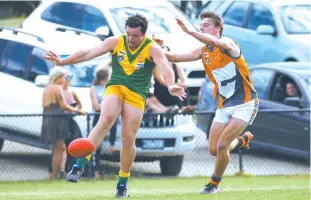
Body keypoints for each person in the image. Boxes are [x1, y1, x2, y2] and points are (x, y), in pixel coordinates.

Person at [43, 14, 186, 198]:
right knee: (105, 120)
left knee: (128, 137)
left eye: (135, 35)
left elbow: (165, 67)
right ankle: (79, 166)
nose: (131, 38)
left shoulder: (152, 48)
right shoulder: (116, 41)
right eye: (128, 34)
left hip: (136, 94)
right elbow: (87, 52)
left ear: (144, 34)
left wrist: (171, 85)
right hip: (116, 87)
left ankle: (122, 184)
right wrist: (63, 61)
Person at [154, 11, 258, 194]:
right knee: (213, 150)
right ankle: (241, 141)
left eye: (206, 25)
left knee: (221, 145)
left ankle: (213, 184)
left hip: (246, 103)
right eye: (200, 26)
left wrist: (189, 32)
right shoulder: (203, 51)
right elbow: (175, 57)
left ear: (218, 28)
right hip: (225, 104)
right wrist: (158, 49)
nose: (202, 28)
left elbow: (217, 42)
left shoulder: (229, 44)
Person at [41, 67, 85, 179]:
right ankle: (55, 175)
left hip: (47, 117)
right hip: (58, 120)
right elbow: (63, 106)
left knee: (58, 147)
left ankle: (55, 173)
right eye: (62, 77)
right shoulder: (57, 88)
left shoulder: (47, 88)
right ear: (58, 77)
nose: (64, 79)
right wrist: (78, 111)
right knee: (59, 148)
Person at [90, 67, 118, 179]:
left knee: (114, 124)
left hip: (110, 116)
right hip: (98, 117)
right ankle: (96, 171)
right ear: (105, 77)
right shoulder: (94, 89)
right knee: (96, 145)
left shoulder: (110, 87)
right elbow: (96, 106)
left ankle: (112, 145)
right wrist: (108, 106)